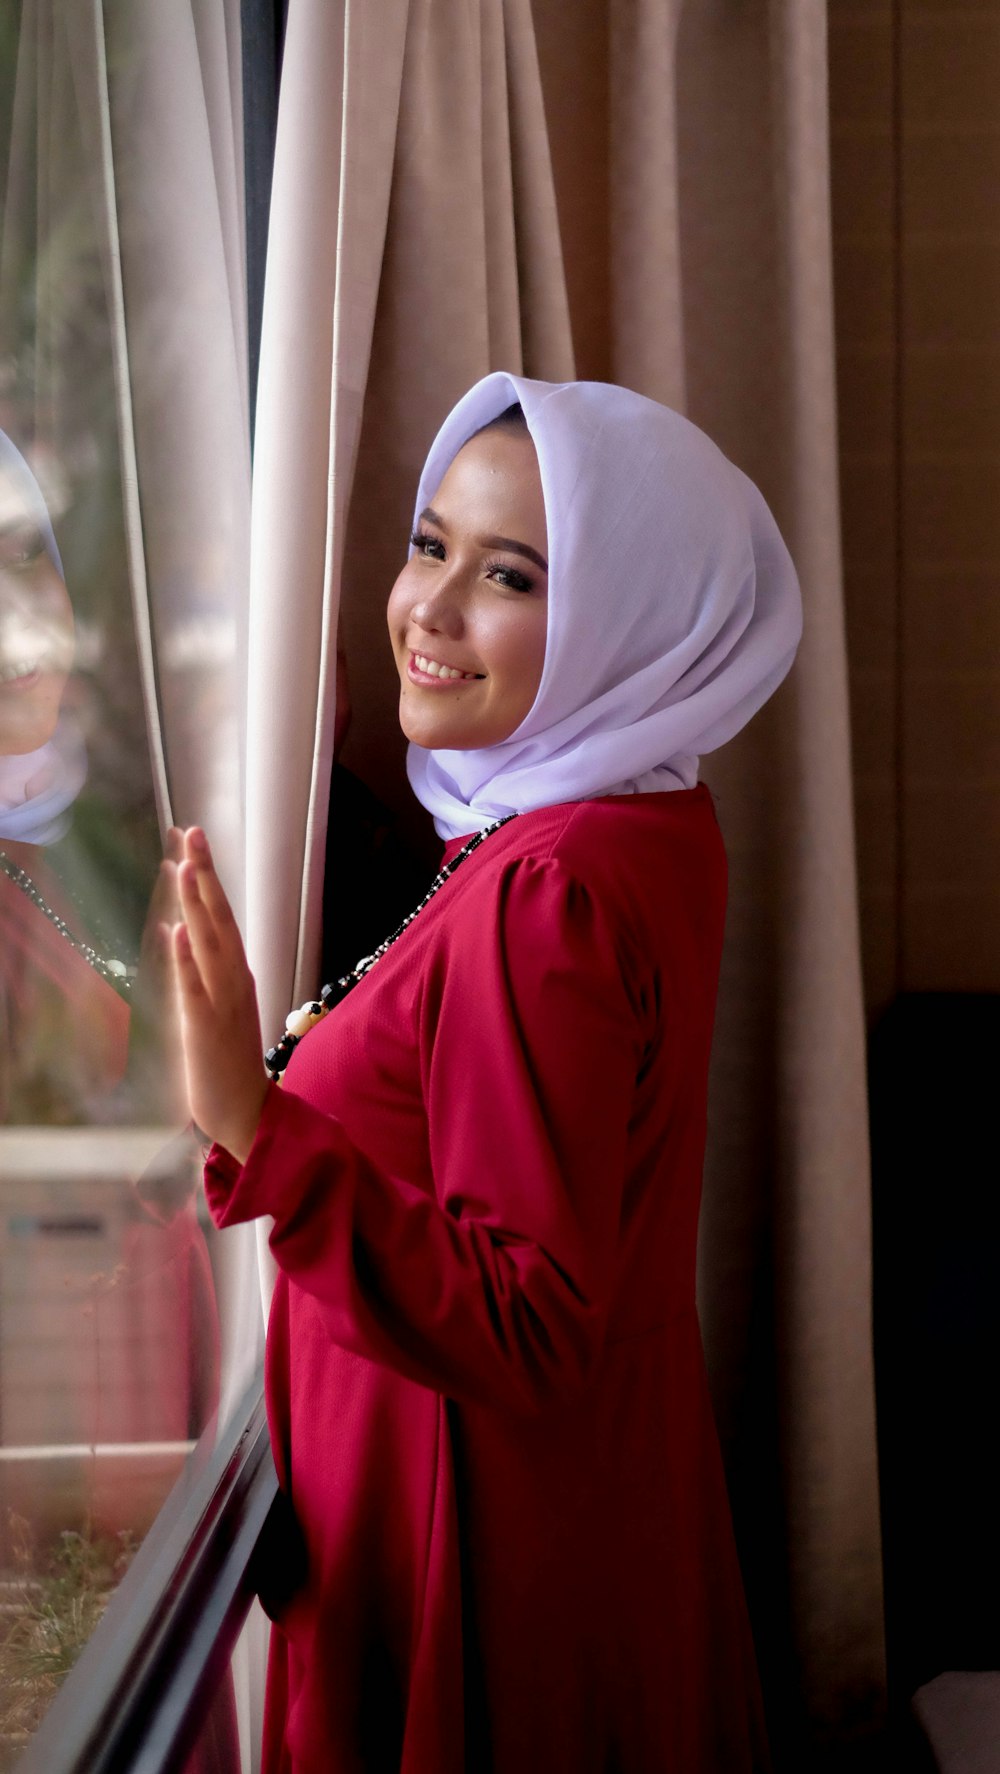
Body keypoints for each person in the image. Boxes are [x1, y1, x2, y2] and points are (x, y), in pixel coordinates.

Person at [168, 373, 803, 1773]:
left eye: (509, 573)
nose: (430, 609)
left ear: (626, 616)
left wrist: (254, 1121)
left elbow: (530, 1314)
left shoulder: (553, 887)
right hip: (565, 1506)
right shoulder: (639, 815)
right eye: (429, 543)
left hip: (484, 1541)